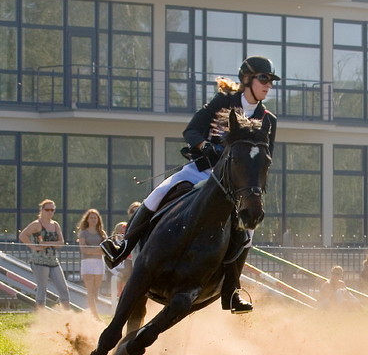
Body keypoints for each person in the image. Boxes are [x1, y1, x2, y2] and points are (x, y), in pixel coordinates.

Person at [99, 56, 279, 314]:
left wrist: (253, 188)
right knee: (158, 192)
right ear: (247, 79)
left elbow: (264, 158)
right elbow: (192, 131)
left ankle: (231, 291)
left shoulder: (268, 119)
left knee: (247, 233)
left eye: (270, 81)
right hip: (201, 171)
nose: (268, 85)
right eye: (264, 79)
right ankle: (123, 246)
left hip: (233, 186)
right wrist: (206, 147)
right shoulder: (222, 102)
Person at [19, 199, 71, 310]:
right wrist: (34, 246)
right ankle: (41, 317)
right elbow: (23, 235)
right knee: (42, 289)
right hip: (39, 261)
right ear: (42, 210)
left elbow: (61, 242)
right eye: (47, 209)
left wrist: (47, 243)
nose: (50, 212)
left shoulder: (55, 225)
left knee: (63, 289)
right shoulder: (37, 224)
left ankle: (67, 317)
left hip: (53, 261)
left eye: (52, 210)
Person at [77, 209, 107, 319]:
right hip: (87, 263)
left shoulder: (101, 233)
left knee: (96, 291)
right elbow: (84, 250)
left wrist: (93, 250)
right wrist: (97, 249)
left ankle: (91, 312)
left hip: (99, 263)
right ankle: (95, 315)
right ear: (87, 219)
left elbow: (105, 250)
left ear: (98, 219)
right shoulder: (83, 233)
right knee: (90, 290)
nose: (93, 219)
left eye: (95, 217)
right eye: (91, 217)